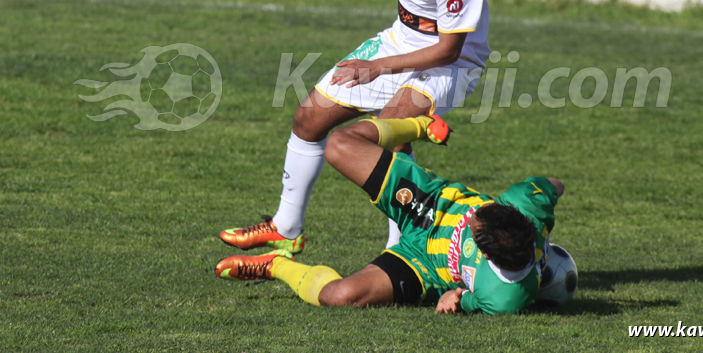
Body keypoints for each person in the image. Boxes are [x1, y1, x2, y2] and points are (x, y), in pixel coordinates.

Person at [219, 0, 491, 253]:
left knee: (391, 129)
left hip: (454, 62)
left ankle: (401, 247)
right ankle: (286, 228)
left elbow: (448, 49)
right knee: (309, 117)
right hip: (402, 38)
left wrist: (380, 67)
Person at [215, 115, 565, 315]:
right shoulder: (527, 204)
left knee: (340, 296)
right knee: (339, 145)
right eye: (485, 210)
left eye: (475, 224)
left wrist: (452, 297)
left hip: (423, 267)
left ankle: (274, 264)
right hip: (431, 205)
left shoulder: (506, 298)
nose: (474, 215)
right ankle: (417, 125)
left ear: (487, 255)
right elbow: (555, 183)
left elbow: (465, 299)